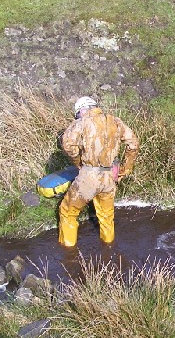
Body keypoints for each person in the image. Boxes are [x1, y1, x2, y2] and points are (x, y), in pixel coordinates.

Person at [57, 96, 139, 246]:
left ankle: (68, 255)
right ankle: (109, 251)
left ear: (81, 111)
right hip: (109, 176)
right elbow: (133, 144)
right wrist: (124, 169)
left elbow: (68, 145)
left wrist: (78, 163)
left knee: (68, 212)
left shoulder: (81, 122)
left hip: (89, 175)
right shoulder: (115, 121)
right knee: (107, 217)